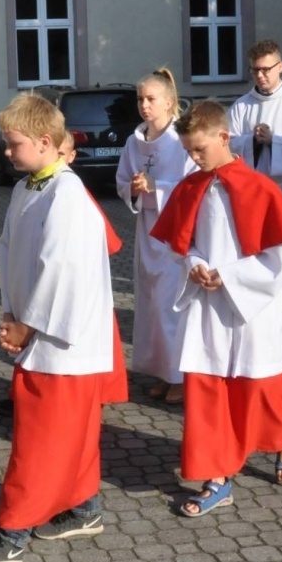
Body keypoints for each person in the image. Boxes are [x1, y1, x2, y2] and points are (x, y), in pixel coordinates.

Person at [0, 95, 119, 562]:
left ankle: (12, 532)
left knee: (39, 444)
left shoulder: (66, 196)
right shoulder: (28, 188)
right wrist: (11, 314)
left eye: (14, 144)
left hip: (63, 343)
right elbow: (10, 252)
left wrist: (28, 325)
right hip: (39, 332)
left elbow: (60, 271)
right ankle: (84, 508)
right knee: (68, 436)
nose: (7, 152)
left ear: (46, 142)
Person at [149, 101, 282, 513]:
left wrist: (232, 276)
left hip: (254, 308)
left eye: (199, 149)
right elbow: (181, 243)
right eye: (188, 151)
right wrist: (197, 263)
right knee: (206, 391)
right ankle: (216, 477)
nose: (193, 158)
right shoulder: (191, 186)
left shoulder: (260, 188)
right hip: (207, 304)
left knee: (262, 390)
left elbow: (280, 255)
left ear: (224, 138)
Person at [226, 39, 282, 335]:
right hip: (255, 195)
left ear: (281, 67)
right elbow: (228, 146)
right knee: (259, 255)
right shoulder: (242, 106)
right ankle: (264, 319)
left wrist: (274, 141)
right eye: (255, 70)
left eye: (266, 69)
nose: (261, 76)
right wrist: (251, 140)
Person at [115, 69, 195, 404]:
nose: (144, 106)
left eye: (151, 99)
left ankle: (181, 377)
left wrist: (156, 189)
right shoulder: (134, 141)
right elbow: (120, 180)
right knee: (150, 304)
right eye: (140, 99)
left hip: (175, 235)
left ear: (169, 101)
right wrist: (132, 190)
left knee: (171, 305)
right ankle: (162, 372)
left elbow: (194, 186)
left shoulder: (182, 140)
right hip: (147, 230)